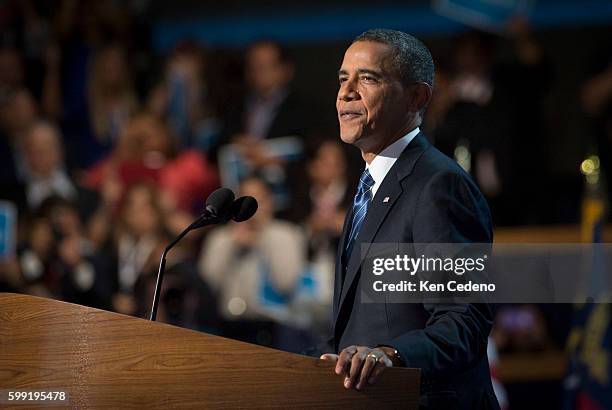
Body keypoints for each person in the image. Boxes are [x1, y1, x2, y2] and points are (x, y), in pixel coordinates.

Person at [318, 29, 499, 410]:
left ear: (417, 97)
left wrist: (391, 354)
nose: (346, 92)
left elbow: (464, 318)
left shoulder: (438, 184)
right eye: (342, 78)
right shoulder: (368, 186)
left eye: (367, 78)